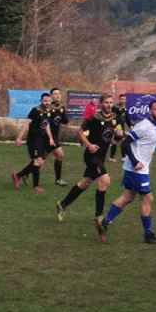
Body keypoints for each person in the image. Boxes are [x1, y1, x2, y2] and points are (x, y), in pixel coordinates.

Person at [96, 98, 156, 244]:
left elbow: (149, 143)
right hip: (137, 170)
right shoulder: (143, 125)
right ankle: (148, 235)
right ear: (150, 111)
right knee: (147, 198)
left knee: (128, 197)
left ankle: (104, 223)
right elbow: (125, 143)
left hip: (136, 168)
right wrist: (135, 161)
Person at [55, 93, 123, 226]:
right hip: (91, 156)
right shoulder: (94, 119)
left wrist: (119, 135)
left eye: (110, 103)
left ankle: (62, 204)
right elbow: (80, 132)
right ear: (101, 104)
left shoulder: (116, 118)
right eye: (106, 103)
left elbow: (118, 135)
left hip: (101, 157)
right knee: (105, 181)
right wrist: (89, 145)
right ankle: (99, 216)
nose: (109, 105)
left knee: (85, 184)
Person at [12, 92, 56, 192]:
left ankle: (18, 175)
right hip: (33, 139)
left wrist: (50, 138)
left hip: (41, 140)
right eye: (45, 101)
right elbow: (26, 123)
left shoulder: (49, 112)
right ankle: (36, 186)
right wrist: (19, 137)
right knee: (37, 161)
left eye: (48, 101)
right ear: (41, 101)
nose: (47, 103)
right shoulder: (35, 110)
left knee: (39, 162)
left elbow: (46, 125)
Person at [48, 87, 69, 186]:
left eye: (59, 94)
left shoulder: (61, 107)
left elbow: (64, 120)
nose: (57, 95)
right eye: (55, 94)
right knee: (60, 155)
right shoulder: (48, 107)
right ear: (51, 96)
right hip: (47, 137)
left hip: (55, 136)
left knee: (39, 160)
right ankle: (58, 179)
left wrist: (66, 119)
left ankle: (21, 174)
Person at [109, 93, 132, 161]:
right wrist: (114, 127)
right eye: (121, 99)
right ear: (119, 99)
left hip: (122, 127)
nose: (123, 101)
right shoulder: (115, 108)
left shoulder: (125, 108)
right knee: (123, 141)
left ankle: (112, 157)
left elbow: (126, 118)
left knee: (116, 142)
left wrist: (130, 125)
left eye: (124, 99)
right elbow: (112, 117)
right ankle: (123, 157)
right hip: (117, 127)